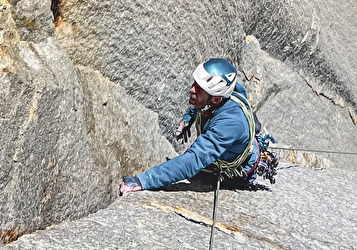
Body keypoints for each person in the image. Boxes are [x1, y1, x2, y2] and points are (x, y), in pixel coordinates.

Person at [119, 58, 278, 194]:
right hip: (232, 145)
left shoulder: (230, 123)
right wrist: (187, 119)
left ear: (216, 99)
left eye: (199, 88)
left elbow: (194, 160)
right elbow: (200, 105)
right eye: (195, 83)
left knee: (194, 172)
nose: (191, 89)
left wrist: (144, 180)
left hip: (237, 174)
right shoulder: (220, 96)